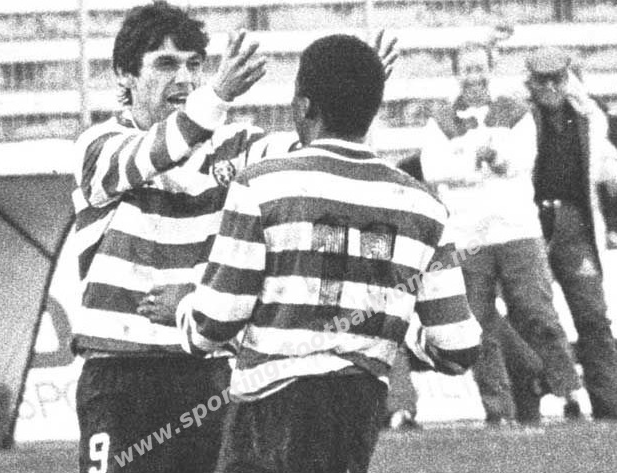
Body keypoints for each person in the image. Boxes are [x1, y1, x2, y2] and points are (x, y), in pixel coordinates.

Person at [142, 34, 481, 472]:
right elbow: (459, 346)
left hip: (268, 410)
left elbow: (215, 323)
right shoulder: (424, 207)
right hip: (358, 409)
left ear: (303, 106)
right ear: (374, 107)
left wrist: (182, 308)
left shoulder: (261, 185)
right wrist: (399, 331)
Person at [71, 2, 268, 472]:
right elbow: (156, 152)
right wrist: (217, 96)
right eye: (165, 64)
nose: (184, 79)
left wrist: (347, 103)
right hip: (118, 375)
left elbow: (305, 162)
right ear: (125, 75)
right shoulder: (98, 145)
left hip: (205, 375)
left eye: (194, 65)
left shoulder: (234, 146)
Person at [420, 42, 583, 424]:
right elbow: (433, 168)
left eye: (480, 67)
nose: (474, 76)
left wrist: (488, 156)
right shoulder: (440, 119)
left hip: (517, 230)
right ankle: (499, 409)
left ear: (491, 69)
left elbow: (522, 159)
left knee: (537, 312)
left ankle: (569, 392)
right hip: (468, 238)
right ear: (456, 73)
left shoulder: (516, 111)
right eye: (467, 69)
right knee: (476, 324)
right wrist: (475, 158)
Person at [526, 46, 617, 420]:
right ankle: (540, 398)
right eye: (541, 79)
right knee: (533, 314)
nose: (550, 87)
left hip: (574, 224)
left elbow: (609, 167)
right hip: (528, 224)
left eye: (557, 78)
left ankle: (609, 401)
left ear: (569, 80)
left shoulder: (590, 117)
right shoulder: (517, 117)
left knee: (592, 313)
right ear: (530, 82)